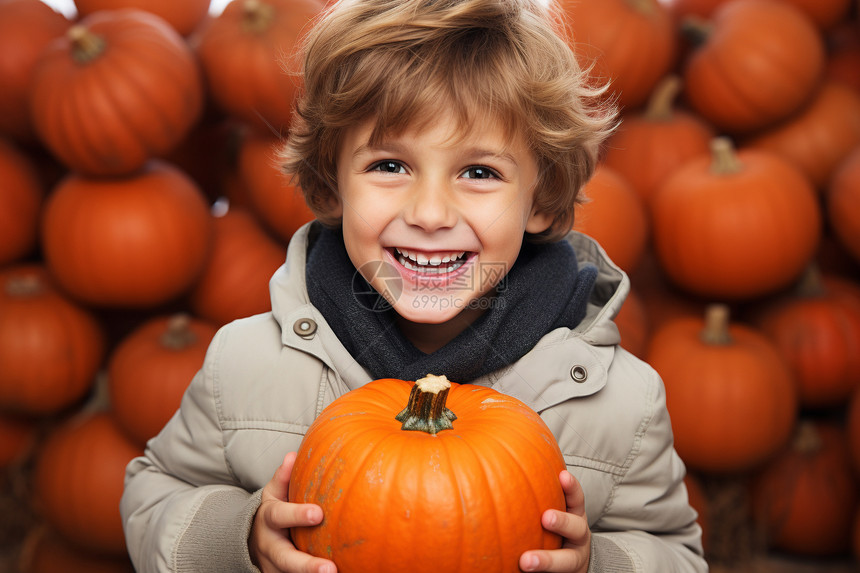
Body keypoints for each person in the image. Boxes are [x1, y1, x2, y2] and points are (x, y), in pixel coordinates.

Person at [120, 0, 707, 571]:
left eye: (479, 172)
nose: (430, 212)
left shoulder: (616, 403)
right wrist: (242, 539)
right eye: (389, 166)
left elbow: (675, 551)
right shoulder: (247, 366)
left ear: (541, 197)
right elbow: (155, 494)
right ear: (330, 186)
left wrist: (597, 564)